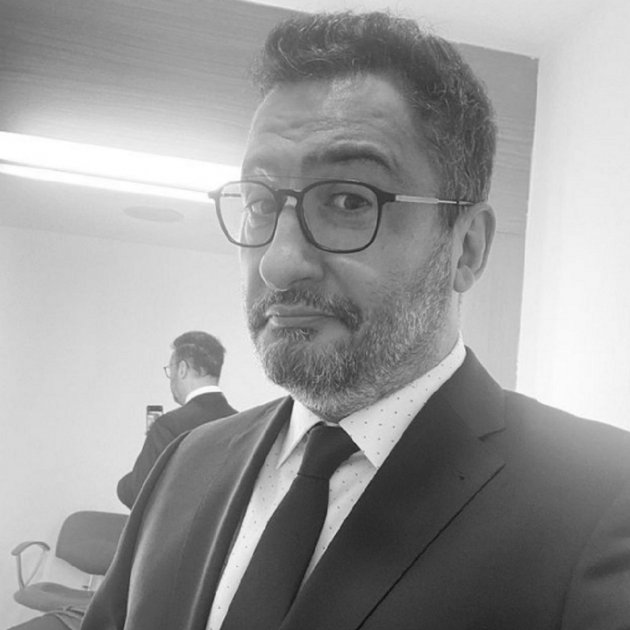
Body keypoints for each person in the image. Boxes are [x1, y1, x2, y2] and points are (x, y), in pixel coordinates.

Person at [82, 11, 630, 629]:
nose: (278, 265)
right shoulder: (186, 465)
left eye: (348, 201)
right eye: (260, 203)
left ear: (467, 248)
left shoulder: (603, 501)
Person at [116, 330, 237, 508]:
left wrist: (124, 484)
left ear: (182, 369)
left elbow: (138, 494)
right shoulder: (242, 422)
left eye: (170, 370)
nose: (170, 379)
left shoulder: (168, 426)